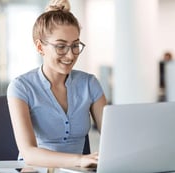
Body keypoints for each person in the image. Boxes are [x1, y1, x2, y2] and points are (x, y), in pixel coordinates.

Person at [7, 0, 107, 168]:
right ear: (40, 47)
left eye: (75, 45)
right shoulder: (21, 87)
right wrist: (79, 160)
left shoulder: (89, 84)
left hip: (78, 171)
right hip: (35, 170)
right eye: (61, 46)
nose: (70, 55)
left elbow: (113, 139)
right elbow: (29, 153)